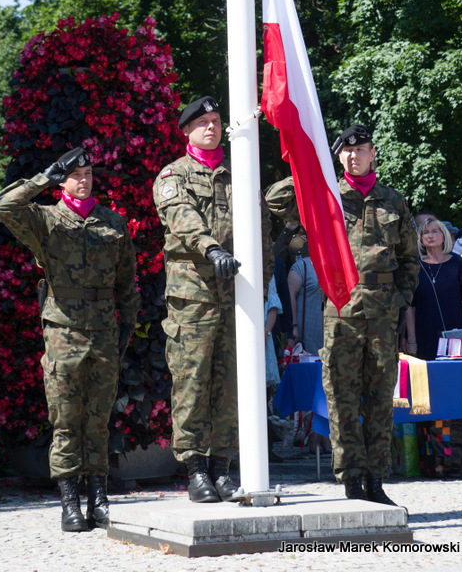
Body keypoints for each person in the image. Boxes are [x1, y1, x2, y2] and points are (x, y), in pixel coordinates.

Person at [266, 124, 419, 506]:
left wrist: (400, 298)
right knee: (341, 397)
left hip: (382, 311)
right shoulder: (326, 197)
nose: (354, 156)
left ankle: (376, 480)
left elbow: (409, 258)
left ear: (372, 153)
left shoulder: (393, 201)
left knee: (380, 398)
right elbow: (275, 200)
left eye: (361, 149)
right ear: (338, 156)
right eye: (346, 151)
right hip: (342, 308)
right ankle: (351, 481)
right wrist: (313, 168)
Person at [0, 148, 140, 532]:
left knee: (98, 419)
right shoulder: (45, 219)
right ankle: (70, 503)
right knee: (65, 418)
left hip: (104, 331)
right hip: (64, 330)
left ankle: (99, 499)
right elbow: (4, 206)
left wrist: (127, 325)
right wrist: (45, 177)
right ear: (64, 180)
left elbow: (127, 281)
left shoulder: (112, 222)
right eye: (75, 174)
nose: (84, 180)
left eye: (88, 173)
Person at [153, 96, 273, 503]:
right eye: (202, 122)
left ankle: (222, 467)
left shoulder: (240, 173)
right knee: (193, 381)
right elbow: (182, 218)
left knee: (231, 385)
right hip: (194, 297)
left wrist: (262, 287)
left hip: (237, 296)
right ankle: (196, 470)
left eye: (217, 120)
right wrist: (211, 248)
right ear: (187, 130)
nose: (211, 127)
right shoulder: (174, 175)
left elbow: (262, 234)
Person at [406, 218, 462, 361]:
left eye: (435, 231)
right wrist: (411, 340)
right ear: (421, 239)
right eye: (426, 232)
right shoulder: (414, 267)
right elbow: (410, 307)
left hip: (455, 333)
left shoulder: (458, 263)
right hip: (425, 332)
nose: (430, 236)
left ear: (444, 236)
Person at [287, 253, 323, 355]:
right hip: (307, 339)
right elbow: (290, 295)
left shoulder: (339, 266)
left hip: (332, 337)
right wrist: (293, 326)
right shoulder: (301, 267)